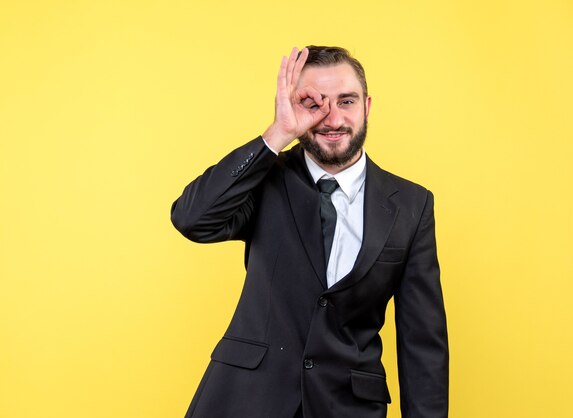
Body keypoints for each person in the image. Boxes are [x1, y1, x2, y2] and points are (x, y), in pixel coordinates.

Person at [171, 46, 448, 418]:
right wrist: (278, 133)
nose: (333, 118)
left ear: (367, 107)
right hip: (245, 400)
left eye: (346, 101)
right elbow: (192, 218)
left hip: (348, 406)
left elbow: (422, 343)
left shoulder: (411, 205)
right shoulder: (266, 180)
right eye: (315, 104)